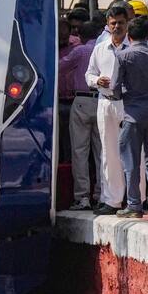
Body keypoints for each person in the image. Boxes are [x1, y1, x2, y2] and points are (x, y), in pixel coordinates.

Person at [86, 5, 146, 215]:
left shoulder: (135, 47)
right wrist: (96, 80)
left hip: (129, 103)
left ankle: (137, 199)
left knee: (134, 152)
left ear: (127, 23)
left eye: (121, 22)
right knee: (108, 152)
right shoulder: (100, 47)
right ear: (108, 25)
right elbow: (89, 74)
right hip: (105, 102)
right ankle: (112, 200)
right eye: (113, 23)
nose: (117, 26)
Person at [111, 16, 148, 218]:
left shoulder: (123, 56)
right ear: (147, 35)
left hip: (133, 115)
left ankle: (134, 205)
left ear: (129, 35)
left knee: (131, 162)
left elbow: (115, 89)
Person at [60, 21, 103, 209]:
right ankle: (102, 194)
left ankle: (82, 197)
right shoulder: (105, 49)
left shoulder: (80, 51)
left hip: (82, 101)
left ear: (81, 36)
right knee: (102, 152)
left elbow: (60, 67)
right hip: (102, 100)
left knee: (80, 151)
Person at [59, 17, 80, 161]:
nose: (62, 36)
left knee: (75, 137)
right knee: (59, 136)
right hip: (57, 100)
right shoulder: (48, 44)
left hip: (75, 100)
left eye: (64, 33)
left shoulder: (77, 45)